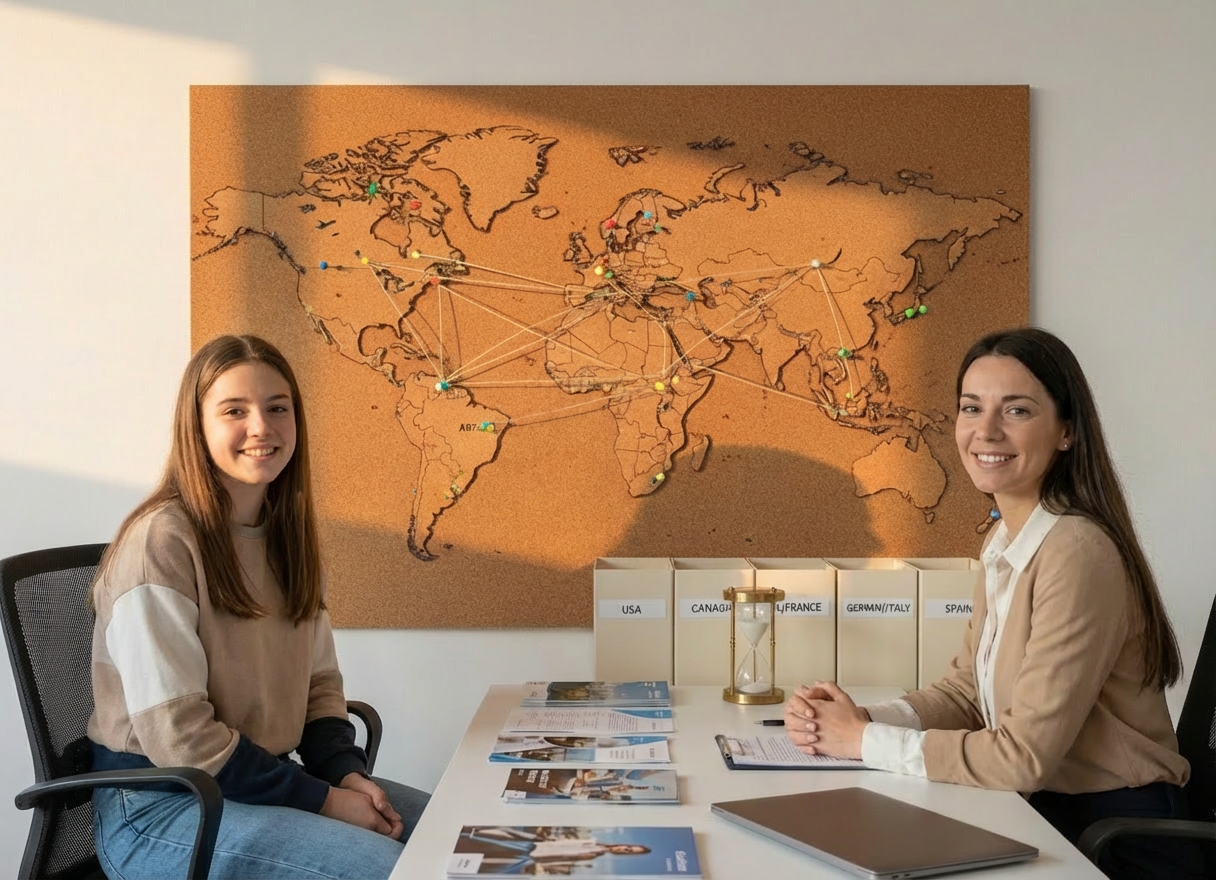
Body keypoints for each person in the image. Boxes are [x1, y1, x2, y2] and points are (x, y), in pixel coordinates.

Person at [784, 327, 1201, 880]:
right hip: (1049, 813)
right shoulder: (1007, 540)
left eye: (1017, 410)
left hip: (1117, 842)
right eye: (971, 408)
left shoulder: (1076, 552)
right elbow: (967, 694)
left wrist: (863, 741)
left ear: (1067, 432)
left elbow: (1021, 759)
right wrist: (862, 720)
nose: (986, 431)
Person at [87, 335, 430, 879]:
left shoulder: (287, 539)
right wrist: (324, 802)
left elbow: (320, 686)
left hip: (259, 785)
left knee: (463, 835)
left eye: (277, 408)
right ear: (196, 426)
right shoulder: (161, 542)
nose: (261, 427)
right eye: (234, 411)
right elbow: (181, 737)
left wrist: (345, 775)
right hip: (163, 809)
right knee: (395, 870)